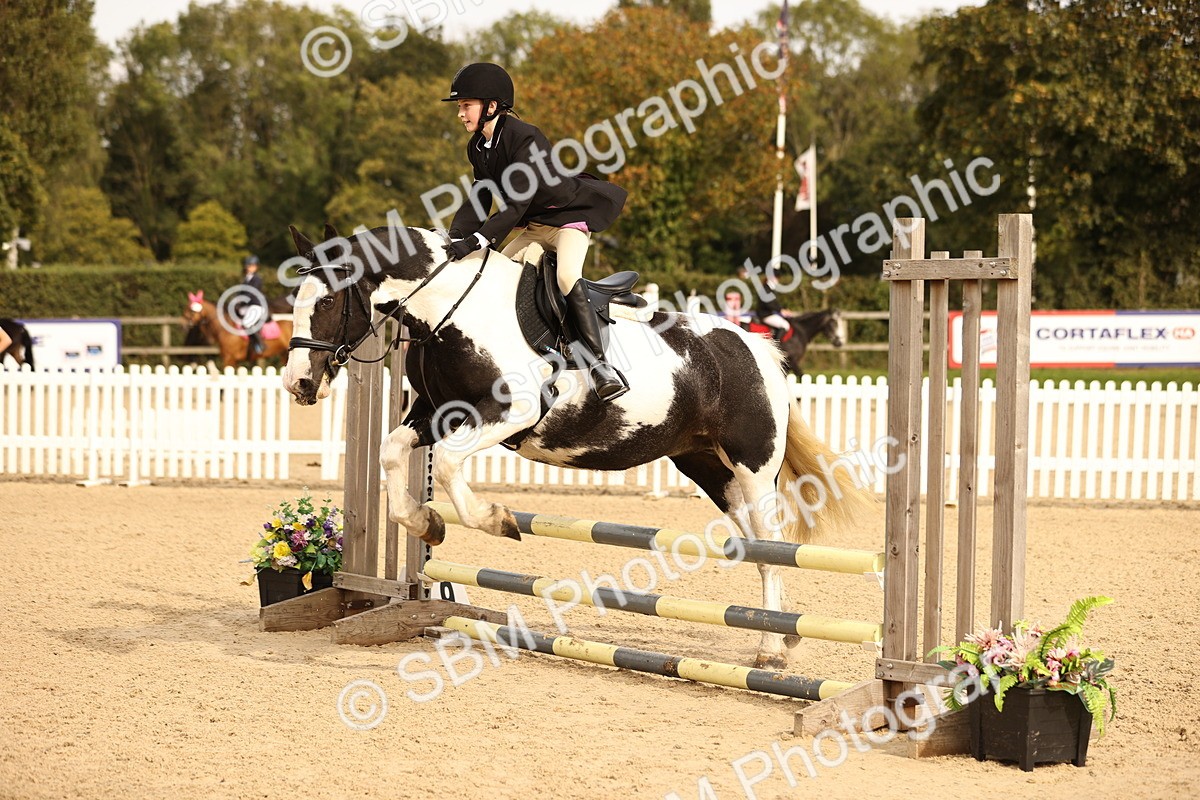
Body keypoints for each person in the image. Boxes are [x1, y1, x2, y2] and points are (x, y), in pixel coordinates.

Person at [441, 62, 629, 402]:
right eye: (460, 107)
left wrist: (476, 241)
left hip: (567, 221)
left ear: (491, 106)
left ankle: (601, 366)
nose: (460, 114)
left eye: (466, 105)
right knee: (492, 275)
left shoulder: (525, 139)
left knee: (568, 276)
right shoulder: (478, 147)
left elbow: (515, 205)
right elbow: (481, 196)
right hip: (533, 225)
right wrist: (454, 237)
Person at [738, 266, 790, 341]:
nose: (777, 280)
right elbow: (769, 303)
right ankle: (777, 346)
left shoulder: (769, 288)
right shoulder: (765, 289)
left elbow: (774, 302)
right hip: (765, 314)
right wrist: (780, 310)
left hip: (769, 313)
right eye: (777, 277)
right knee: (785, 325)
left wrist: (782, 309)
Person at [240, 255, 267, 355]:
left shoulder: (257, 279)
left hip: (256, 306)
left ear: (256, 267)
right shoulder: (246, 279)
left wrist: (242, 301)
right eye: (248, 265)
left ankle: (260, 343)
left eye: (252, 265)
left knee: (247, 323)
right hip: (247, 306)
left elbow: (251, 293)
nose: (249, 267)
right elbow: (241, 292)